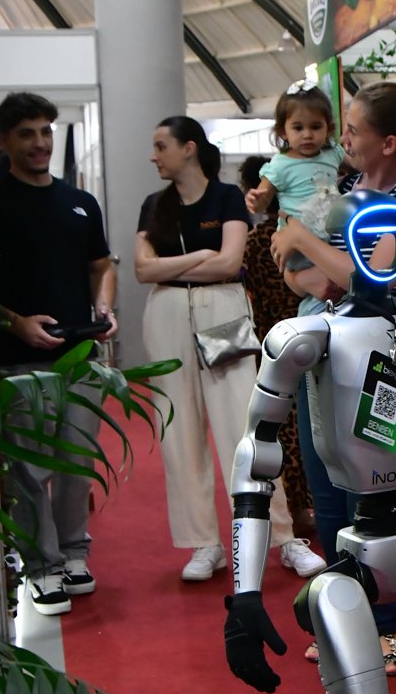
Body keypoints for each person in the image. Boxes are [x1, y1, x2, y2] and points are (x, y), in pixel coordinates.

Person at [272, 81, 396, 676]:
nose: (341, 139)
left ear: (389, 142)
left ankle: (387, 627)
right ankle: (344, 614)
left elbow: (373, 278)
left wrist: (303, 241)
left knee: (375, 493)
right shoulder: (343, 193)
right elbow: (299, 276)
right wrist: (318, 267)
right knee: (327, 489)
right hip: (326, 353)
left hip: (386, 358)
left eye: (352, 130)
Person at [135, 117, 325, 584]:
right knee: (178, 429)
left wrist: (176, 265)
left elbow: (229, 261)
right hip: (165, 315)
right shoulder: (154, 206)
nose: (154, 156)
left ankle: (283, 536)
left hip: (222, 311)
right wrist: (200, 258)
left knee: (244, 424)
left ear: (189, 148)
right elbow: (142, 270)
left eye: (161, 145)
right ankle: (204, 543)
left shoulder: (225, 198)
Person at [0, 91, 117, 617]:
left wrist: (104, 308)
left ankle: (73, 553)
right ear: (3, 141)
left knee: (75, 461)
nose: (40, 143)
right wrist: (14, 321)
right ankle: (41, 566)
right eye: (27, 134)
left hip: (80, 354)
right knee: (27, 467)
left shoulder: (79, 202)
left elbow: (101, 265)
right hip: (18, 359)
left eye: (45, 131)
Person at [238, 152, 317, 548]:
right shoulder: (311, 234)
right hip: (315, 334)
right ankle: (312, 505)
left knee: (283, 428)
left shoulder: (257, 241)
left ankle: (297, 509)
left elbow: (252, 294)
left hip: (274, 342)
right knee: (313, 422)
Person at [245, 85, 340, 271]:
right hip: (296, 249)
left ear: (329, 128)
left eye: (316, 127)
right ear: (283, 131)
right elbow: (262, 200)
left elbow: (360, 165)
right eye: (298, 128)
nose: (307, 135)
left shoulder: (333, 154)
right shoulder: (280, 164)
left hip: (331, 244)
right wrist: (255, 201)